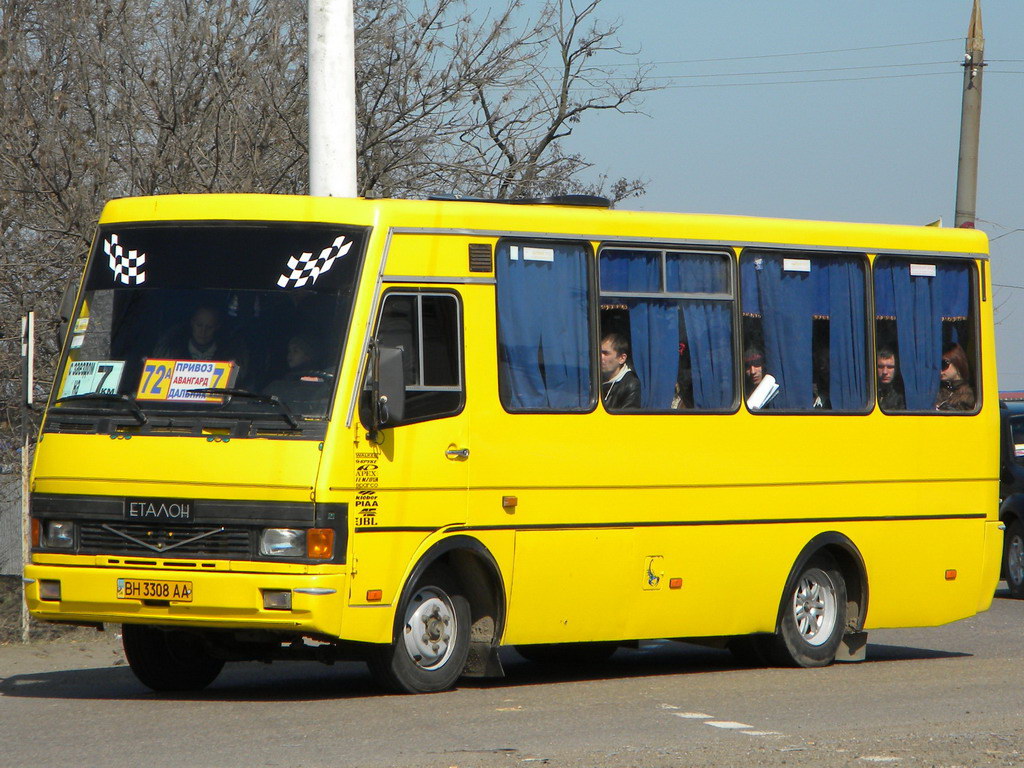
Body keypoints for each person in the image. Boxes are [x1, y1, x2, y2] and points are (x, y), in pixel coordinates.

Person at [600, 333, 641, 409]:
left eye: (606, 353)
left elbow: (627, 417)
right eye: (599, 352)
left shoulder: (630, 384)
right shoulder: (591, 380)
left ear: (622, 358)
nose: (600, 357)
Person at [935, 342, 976, 411]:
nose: (940, 371)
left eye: (944, 364)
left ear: (957, 363)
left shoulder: (970, 395)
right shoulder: (937, 390)